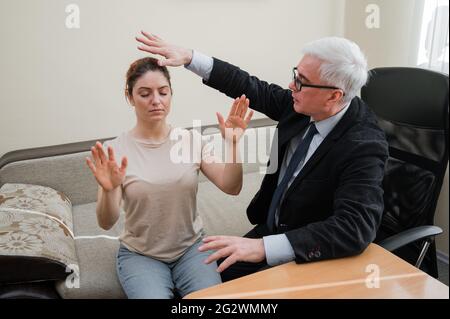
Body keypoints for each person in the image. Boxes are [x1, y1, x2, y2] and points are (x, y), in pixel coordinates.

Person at [136, 32, 389, 282]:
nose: (292, 85)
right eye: (295, 74)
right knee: (200, 277)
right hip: (272, 229)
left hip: (310, 250)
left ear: (334, 95)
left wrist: (263, 248)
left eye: (301, 80)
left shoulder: (363, 145)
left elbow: (355, 227)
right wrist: (190, 57)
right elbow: (250, 86)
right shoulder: (303, 103)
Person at [85, 57, 253, 298]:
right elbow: (106, 221)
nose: (156, 101)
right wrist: (110, 189)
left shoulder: (191, 140)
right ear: (130, 97)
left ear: (170, 95)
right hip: (141, 256)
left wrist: (233, 144)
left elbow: (231, 186)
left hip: (192, 250)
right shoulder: (116, 151)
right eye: (144, 94)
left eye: (163, 92)